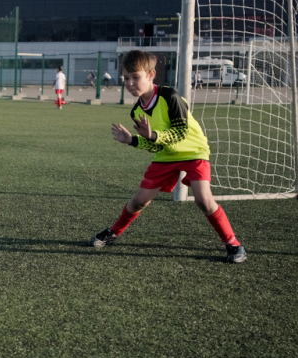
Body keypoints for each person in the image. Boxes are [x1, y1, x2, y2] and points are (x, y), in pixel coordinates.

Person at [91, 50, 247, 264]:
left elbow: (180, 133)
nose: (130, 83)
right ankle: (114, 231)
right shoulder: (137, 111)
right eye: (126, 78)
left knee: (204, 200)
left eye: (135, 77)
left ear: (151, 75)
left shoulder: (170, 96)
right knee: (139, 201)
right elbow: (153, 145)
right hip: (166, 155)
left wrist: (153, 135)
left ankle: (233, 244)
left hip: (194, 151)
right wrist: (132, 140)